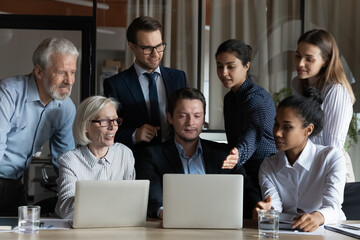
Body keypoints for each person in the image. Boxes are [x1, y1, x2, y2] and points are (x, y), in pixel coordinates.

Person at [136, 88, 261, 219]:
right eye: (183, 115)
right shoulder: (152, 156)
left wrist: (257, 206)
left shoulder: (224, 154)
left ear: (203, 118)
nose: (191, 122)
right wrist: (163, 212)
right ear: (170, 117)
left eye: (197, 116)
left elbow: (247, 189)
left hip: (219, 226)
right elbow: (153, 196)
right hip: (173, 227)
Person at [0, 37, 78, 216]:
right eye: (61, 73)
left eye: (72, 72)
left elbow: (65, 161)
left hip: (15, 184)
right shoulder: (8, 94)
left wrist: (73, 201)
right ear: (39, 71)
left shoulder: (66, 108)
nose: (69, 80)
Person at [254, 87, 346, 232]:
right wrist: (267, 210)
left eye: (287, 127)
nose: (277, 133)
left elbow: (333, 206)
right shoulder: (268, 166)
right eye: (276, 124)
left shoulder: (331, 158)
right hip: (287, 231)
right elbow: (274, 205)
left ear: (308, 130)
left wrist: (317, 217)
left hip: (329, 231)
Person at [103, 16, 188, 152]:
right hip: (137, 159)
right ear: (132, 46)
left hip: (175, 156)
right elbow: (107, 129)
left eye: (159, 46)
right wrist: (134, 134)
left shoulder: (178, 77)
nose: (155, 54)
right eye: (147, 48)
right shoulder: (115, 84)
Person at [55, 96, 136, 219]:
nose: (113, 126)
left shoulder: (125, 154)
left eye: (115, 120)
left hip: (118, 228)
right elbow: (66, 210)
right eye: (105, 121)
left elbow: (131, 204)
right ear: (86, 126)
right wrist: (109, 197)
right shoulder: (70, 161)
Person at [292, 29, 356, 182]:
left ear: (325, 61)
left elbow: (332, 146)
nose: (300, 63)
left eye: (309, 59)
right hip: (307, 168)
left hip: (331, 170)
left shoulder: (336, 90)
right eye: (298, 56)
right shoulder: (298, 84)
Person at [215, 39, 277, 187]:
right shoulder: (229, 98)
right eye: (219, 66)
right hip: (241, 166)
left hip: (265, 168)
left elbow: (253, 132)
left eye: (231, 67)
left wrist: (239, 152)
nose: (224, 73)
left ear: (246, 66)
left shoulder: (257, 98)